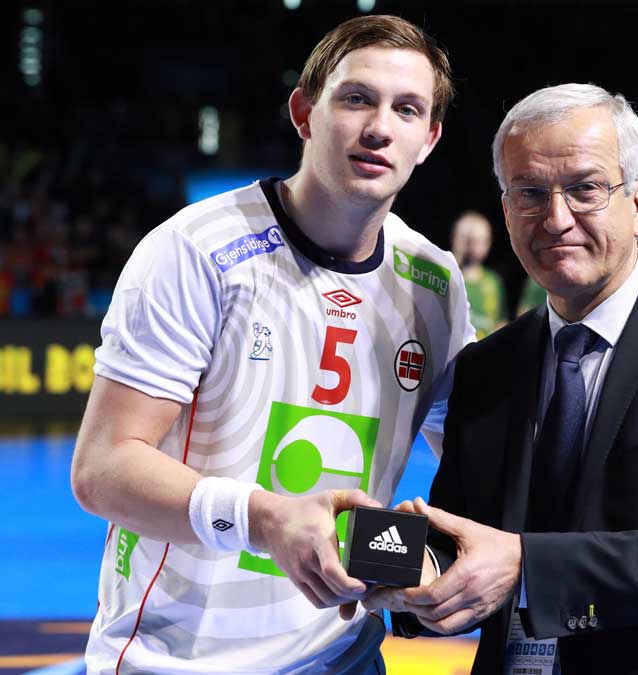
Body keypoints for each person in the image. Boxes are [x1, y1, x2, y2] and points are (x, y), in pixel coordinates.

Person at [70, 15, 475, 675]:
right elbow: (103, 468)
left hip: (346, 652)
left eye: (407, 109)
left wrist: (433, 558)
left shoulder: (433, 281)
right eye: (356, 98)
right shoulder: (197, 249)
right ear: (304, 111)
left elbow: (473, 454)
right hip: (180, 661)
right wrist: (263, 519)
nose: (380, 126)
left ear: (428, 139)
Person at [368, 83, 638, 673]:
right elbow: (460, 541)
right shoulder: (486, 366)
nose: (556, 218)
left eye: (585, 189)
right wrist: (370, 555)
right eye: (529, 192)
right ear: (506, 209)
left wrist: (525, 568)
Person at [450, 210, 507, 339]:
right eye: (469, 240)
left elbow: (500, 322)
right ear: (456, 239)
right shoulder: (449, 276)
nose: (476, 247)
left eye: (483, 240)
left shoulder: (493, 281)